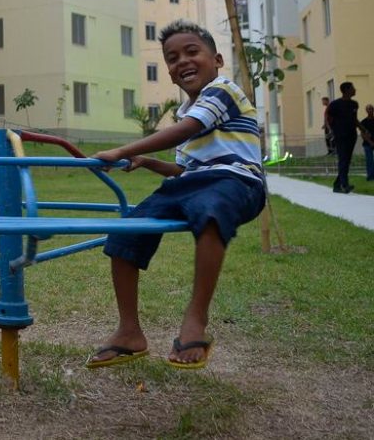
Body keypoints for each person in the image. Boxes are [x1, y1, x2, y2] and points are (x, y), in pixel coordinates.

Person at [87, 20, 265, 370]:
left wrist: (122, 150)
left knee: (211, 211)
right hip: (194, 184)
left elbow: (188, 130)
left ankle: (195, 321)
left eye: (191, 52)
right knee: (126, 231)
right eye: (172, 58)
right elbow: (186, 171)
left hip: (237, 181)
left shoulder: (222, 91)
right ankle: (129, 331)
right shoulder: (187, 111)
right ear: (169, 72)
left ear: (216, 60)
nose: (182, 61)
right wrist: (150, 161)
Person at [326, 82, 362, 193]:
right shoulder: (335, 104)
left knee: (347, 160)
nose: (355, 90)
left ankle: (337, 185)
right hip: (340, 135)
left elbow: (355, 119)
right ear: (346, 90)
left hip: (352, 135)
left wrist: (363, 129)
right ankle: (344, 185)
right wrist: (332, 130)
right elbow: (328, 117)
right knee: (343, 159)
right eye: (353, 88)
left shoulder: (354, 104)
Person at [361, 104, 374, 182]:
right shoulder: (364, 122)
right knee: (369, 160)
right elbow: (363, 134)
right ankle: (370, 177)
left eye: (371, 109)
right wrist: (370, 142)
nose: (370, 110)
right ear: (366, 111)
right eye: (368, 109)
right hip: (367, 144)